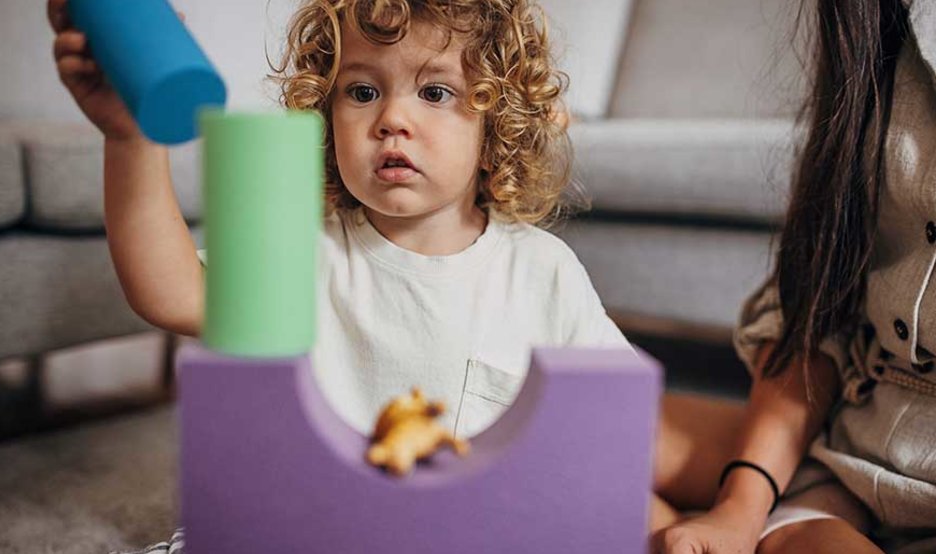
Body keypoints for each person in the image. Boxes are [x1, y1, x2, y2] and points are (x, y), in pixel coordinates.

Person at [49, 0, 631, 548]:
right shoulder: (304, 251)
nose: (392, 118)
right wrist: (130, 138)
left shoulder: (544, 272)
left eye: (434, 92)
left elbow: (614, 423)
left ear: (494, 127)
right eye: (362, 91)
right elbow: (169, 293)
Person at [650, 0, 936, 552]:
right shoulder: (874, 22)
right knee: (571, 433)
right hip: (842, 451)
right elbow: (816, 303)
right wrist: (738, 510)